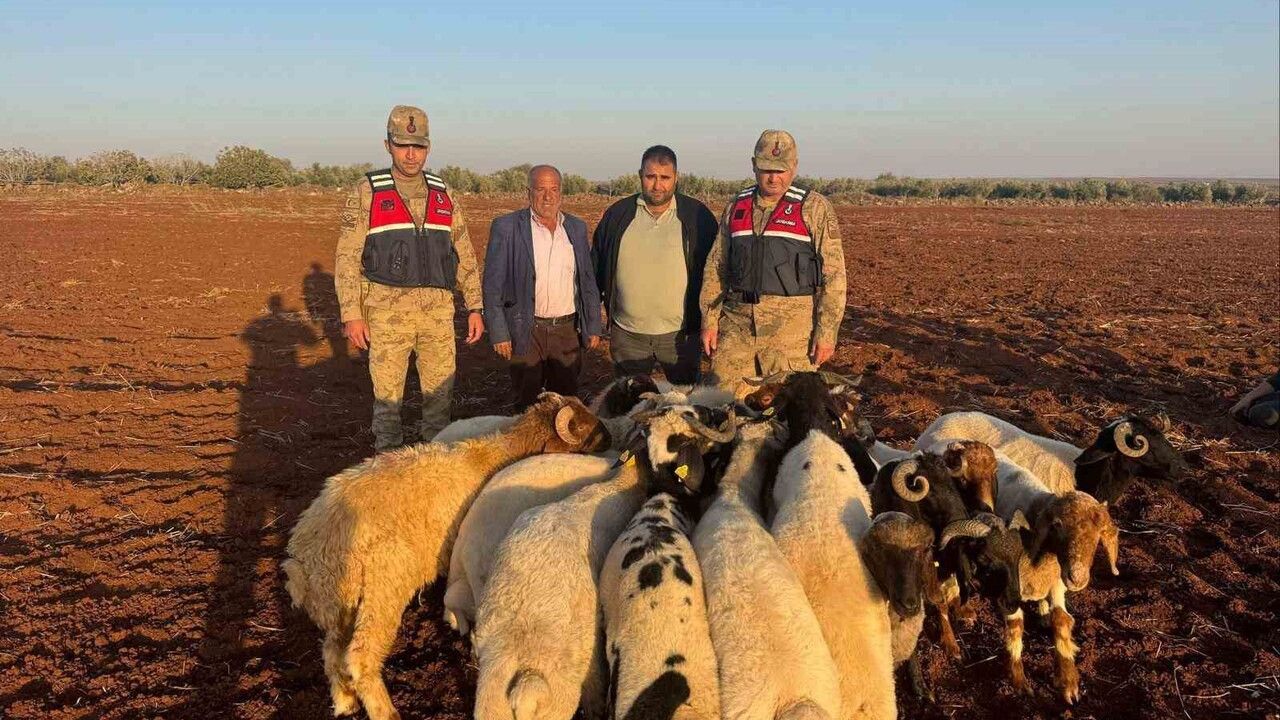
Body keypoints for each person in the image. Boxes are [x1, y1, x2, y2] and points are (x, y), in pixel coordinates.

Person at [334, 105, 484, 451]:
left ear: (428, 147)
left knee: (440, 403)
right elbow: (347, 256)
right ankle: (386, 472)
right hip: (387, 315)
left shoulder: (443, 192)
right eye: (403, 145)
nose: (411, 154)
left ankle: (430, 473)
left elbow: (464, 252)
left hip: (438, 315)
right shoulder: (367, 191)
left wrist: (474, 305)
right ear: (388, 145)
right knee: (387, 405)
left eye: (418, 146)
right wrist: (351, 314)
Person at [699, 129, 847, 397]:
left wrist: (827, 333)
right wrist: (709, 320)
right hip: (737, 329)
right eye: (766, 169)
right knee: (723, 404)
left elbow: (834, 277)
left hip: (791, 337)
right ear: (754, 165)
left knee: (790, 412)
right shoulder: (736, 206)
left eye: (781, 170)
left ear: (794, 167)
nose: (773, 177)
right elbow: (716, 265)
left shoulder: (814, 208)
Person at [592, 145, 718, 384]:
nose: (657, 185)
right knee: (630, 407)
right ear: (640, 175)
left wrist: (710, 321)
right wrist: (590, 320)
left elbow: (715, 271)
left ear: (676, 178)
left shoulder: (696, 216)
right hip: (628, 335)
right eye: (650, 177)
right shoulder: (618, 215)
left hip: (680, 336)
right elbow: (596, 267)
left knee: (683, 404)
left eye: (665, 178)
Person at [483, 165, 602, 409]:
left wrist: (592, 326)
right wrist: (499, 332)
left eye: (554, 189)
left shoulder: (576, 228)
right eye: (540, 189)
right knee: (526, 402)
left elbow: (587, 280)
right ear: (529, 192)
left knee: (566, 403)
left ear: (561, 193)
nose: (547, 196)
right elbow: (492, 284)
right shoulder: (507, 227)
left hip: (567, 332)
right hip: (526, 329)